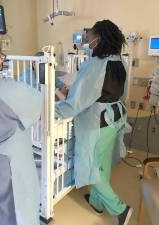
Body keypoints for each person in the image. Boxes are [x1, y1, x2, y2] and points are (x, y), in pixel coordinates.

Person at [55, 20, 133, 225]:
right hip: (114, 117)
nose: (86, 41)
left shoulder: (96, 64)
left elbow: (76, 103)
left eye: (89, 38)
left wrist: (53, 109)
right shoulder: (119, 61)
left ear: (99, 40)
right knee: (102, 164)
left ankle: (121, 209)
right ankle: (98, 203)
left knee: (91, 168)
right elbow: (115, 92)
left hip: (97, 122)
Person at [0, 32, 42, 225]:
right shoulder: (6, 88)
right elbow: (37, 103)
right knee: (15, 214)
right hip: (8, 167)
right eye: (1, 56)